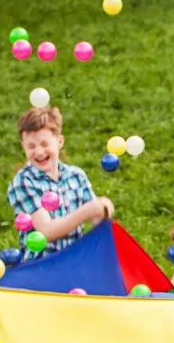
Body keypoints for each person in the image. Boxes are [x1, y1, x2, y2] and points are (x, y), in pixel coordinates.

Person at [7, 106, 115, 260]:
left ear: (59, 141)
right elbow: (46, 232)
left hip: (75, 262)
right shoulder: (23, 182)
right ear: (23, 146)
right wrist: (88, 210)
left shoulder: (76, 176)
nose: (38, 152)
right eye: (31, 146)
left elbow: (97, 220)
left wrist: (104, 210)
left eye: (45, 144)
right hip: (40, 267)